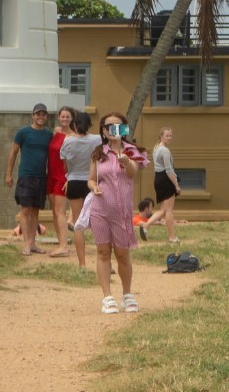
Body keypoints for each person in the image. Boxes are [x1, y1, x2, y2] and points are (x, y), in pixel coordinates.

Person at [88, 111, 141, 313]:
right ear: (103, 130)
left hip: (122, 212)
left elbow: (133, 172)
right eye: (109, 127)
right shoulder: (98, 153)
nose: (113, 130)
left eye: (117, 126)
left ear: (124, 129)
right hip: (100, 210)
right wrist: (94, 187)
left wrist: (125, 161)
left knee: (122, 254)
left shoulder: (131, 150)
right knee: (103, 253)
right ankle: (107, 297)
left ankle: (127, 294)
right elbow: (91, 178)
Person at [4, 104, 54, 257]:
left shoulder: (48, 135)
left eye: (43, 115)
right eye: (38, 114)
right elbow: (13, 153)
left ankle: (33, 243)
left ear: (46, 117)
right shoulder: (23, 133)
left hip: (41, 177)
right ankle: (26, 243)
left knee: (35, 212)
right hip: (26, 176)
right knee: (25, 210)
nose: (41, 117)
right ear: (32, 116)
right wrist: (8, 174)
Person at [58, 109, 97, 267]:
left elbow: (65, 167)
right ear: (89, 125)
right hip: (90, 181)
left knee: (78, 222)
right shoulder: (96, 139)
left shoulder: (67, 141)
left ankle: (82, 263)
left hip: (74, 181)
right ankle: (105, 261)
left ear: (74, 124)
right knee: (97, 222)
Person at [45, 107, 75, 255]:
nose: (65, 119)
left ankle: (64, 246)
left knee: (60, 211)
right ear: (58, 117)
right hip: (50, 175)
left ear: (72, 118)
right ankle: (60, 242)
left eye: (67, 117)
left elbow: (75, 159)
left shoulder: (73, 136)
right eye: (62, 117)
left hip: (63, 177)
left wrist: (70, 177)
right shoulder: (56, 132)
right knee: (54, 212)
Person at [146, 127, 182, 244]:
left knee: (163, 209)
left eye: (170, 135)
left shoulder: (157, 148)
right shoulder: (164, 151)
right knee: (169, 210)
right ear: (161, 136)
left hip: (158, 179)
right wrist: (176, 185)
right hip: (165, 180)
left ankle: (145, 226)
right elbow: (169, 170)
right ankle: (172, 237)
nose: (169, 137)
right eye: (167, 135)